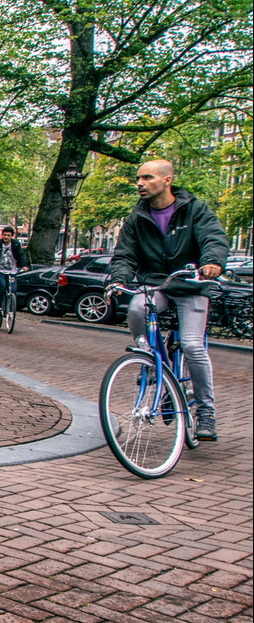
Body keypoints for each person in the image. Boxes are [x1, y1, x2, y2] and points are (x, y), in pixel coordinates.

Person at [107, 159, 229, 441]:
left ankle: (206, 413)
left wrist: (211, 262)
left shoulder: (195, 210)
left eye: (147, 178)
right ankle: (148, 357)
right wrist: (119, 278)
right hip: (156, 284)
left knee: (191, 344)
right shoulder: (136, 218)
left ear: (167, 180)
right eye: (138, 178)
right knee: (138, 306)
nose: (140, 183)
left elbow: (213, 238)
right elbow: (125, 254)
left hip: (191, 285)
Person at [0, 226, 29, 315]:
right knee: (2, 286)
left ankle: (10, 307)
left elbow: (21, 255)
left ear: (12, 236)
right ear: (2, 235)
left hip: (12, 271)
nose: (6, 237)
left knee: (13, 289)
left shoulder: (16, 245)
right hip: (0, 271)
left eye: (8, 235)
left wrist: (24, 265)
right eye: (4, 235)